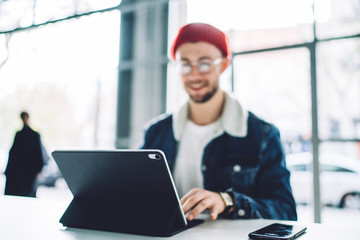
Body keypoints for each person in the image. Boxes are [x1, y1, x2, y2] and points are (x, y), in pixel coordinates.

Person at [140, 23, 297, 221]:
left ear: (223, 65)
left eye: (204, 63)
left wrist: (228, 201)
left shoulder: (262, 135)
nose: (194, 74)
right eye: (185, 64)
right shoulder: (155, 132)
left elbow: (285, 211)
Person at [4, 111, 45, 197]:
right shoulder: (19, 134)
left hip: (29, 173)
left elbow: (38, 154)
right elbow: (13, 154)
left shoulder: (34, 135)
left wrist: (38, 170)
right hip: (19, 173)